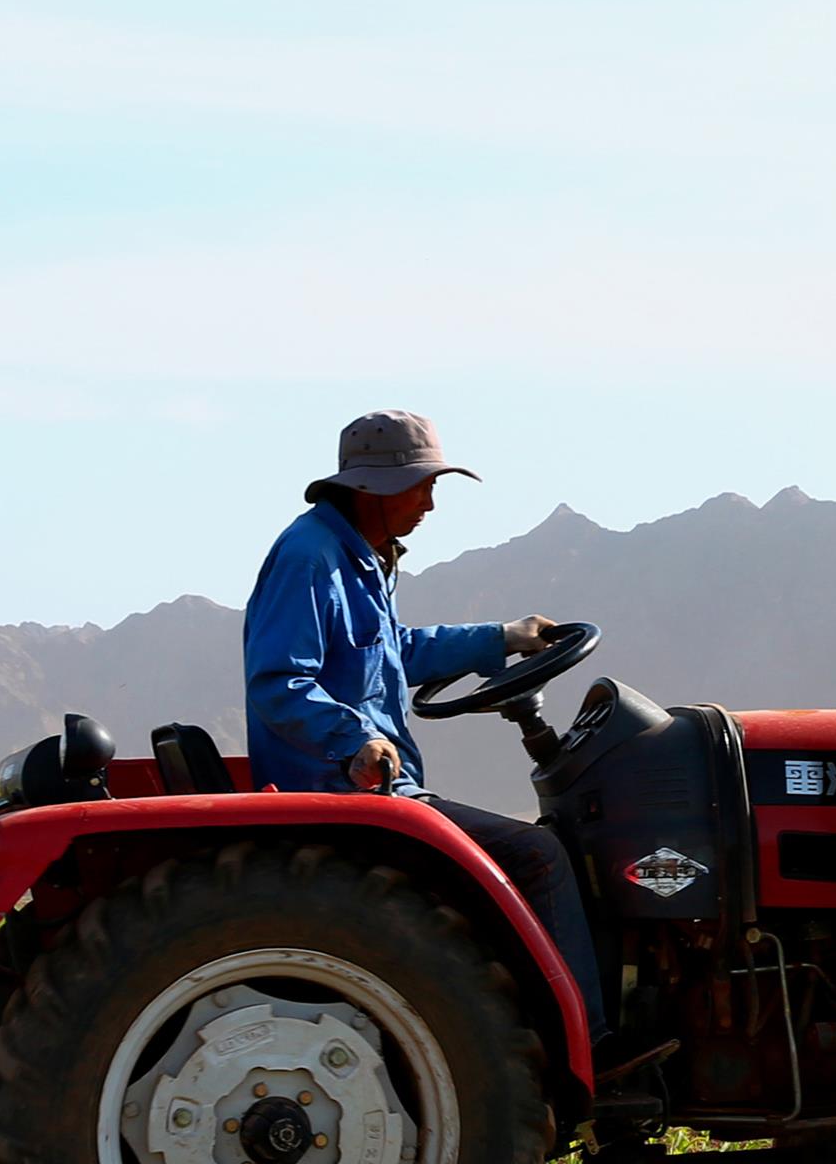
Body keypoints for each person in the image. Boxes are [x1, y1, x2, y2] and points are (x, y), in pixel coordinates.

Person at [243, 410, 611, 1028]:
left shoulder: (356, 557)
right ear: (375, 488)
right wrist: (355, 738)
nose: (431, 504)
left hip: (380, 788)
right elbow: (278, 682)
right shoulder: (310, 558)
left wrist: (503, 638)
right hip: (343, 795)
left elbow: (398, 650)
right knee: (540, 855)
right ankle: (590, 1047)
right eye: (425, 486)